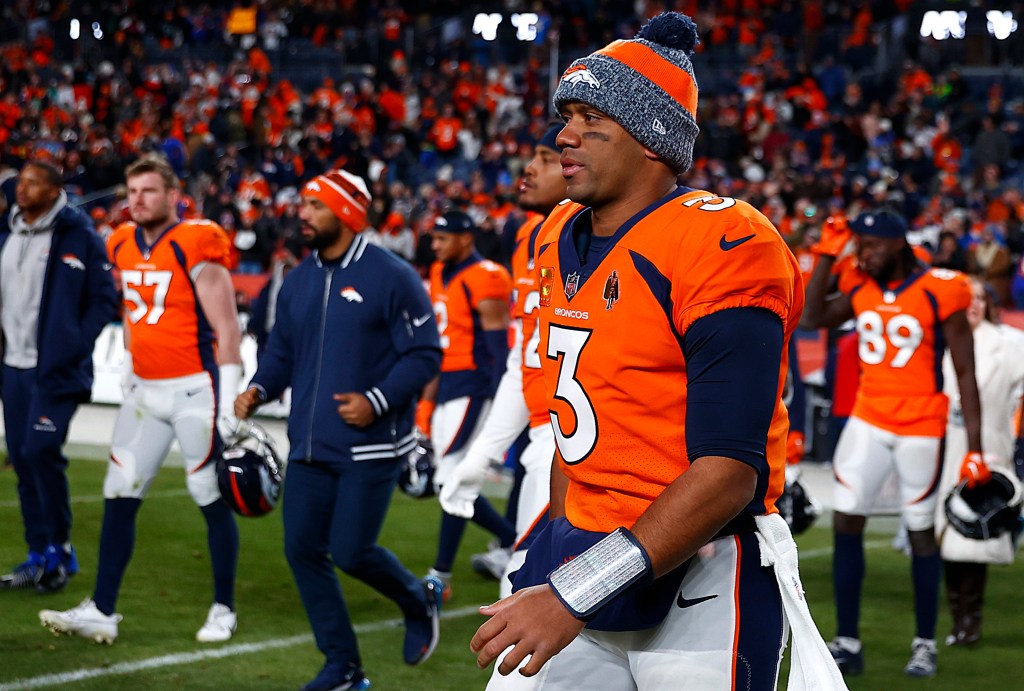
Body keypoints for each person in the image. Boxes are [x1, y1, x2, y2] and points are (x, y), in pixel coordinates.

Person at [472, 13, 842, 691]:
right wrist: (554, 550)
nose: (563, 136)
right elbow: (574, 428)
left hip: (702, 574)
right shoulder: (557, 234)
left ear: (650, 137)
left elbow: (729, 472)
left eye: (590, 117)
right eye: (566, 116)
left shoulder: (722, 241)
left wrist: (573, 591)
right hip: (582, 550)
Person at [234, 169, 445, 691]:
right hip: (307, 443)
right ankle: (343, 666)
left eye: (315, 206)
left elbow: (424, 354)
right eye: (303, 204)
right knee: (302, 550)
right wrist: (259, 388)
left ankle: (418, 598)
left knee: (351, 552)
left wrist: (376, 401)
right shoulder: (298, 277)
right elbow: (281, 350)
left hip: (371, 446)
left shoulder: (391, 275)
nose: (302, 214)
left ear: (348, 213)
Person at [39, 153, 244, 644]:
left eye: (149, 191)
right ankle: (103, 609)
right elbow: (134, 312)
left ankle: (223, 608)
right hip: (145, 392)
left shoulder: (195, 243)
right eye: (132, 192)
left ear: (173, 195)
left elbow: (229, 329)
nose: (138, 200)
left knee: (207, 496)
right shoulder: (123, 243)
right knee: (119, 494)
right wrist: (131, 366)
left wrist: (232, 404)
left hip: (195, 389)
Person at [802, 209, 983, 678]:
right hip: (868, 416)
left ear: (899, 243)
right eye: (858, 245)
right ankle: (848, 640)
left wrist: (976, 447)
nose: (863, 253)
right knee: (846, 520)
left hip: (921, 423)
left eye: (871, 245)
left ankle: (924, 643)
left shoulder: (940, 287)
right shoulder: (861, 283)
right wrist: (825, 253)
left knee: (921, 530)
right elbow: (814, 314)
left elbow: (965, 371)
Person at [438, 124, 567, 599]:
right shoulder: (529, 235)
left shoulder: (595, 233)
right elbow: (525, 352)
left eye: (546, 158)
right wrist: (484, 452)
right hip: (540, 429)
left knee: (527, 588)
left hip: (575, 442)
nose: (528, 169)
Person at [0, 159, 119, 591]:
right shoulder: (8, 232)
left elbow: (105, 300)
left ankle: (61, 552)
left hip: (56, 371)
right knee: (23, 459)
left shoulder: (80, 236)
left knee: (41, 450)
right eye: (21, 182)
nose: (22, 189)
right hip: (12, 368)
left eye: (33, 183)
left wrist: (71, 345)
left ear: (54, 191)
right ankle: (37, 554)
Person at [424, 209, 515, 599]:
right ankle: (515, 540)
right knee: (450, 480)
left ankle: (442, 573)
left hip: (474, 385)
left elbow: (496, 348)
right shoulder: (438, 272)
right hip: (446, 382)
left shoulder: (487, 275)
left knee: (451, 480)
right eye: (435, 237)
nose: (436, 244)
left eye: (444, 238)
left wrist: (497, 400)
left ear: (466, 238)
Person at [936, 277, 1024, 646]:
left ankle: (970, 620)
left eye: (979, 298)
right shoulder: (941, 344)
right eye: (965, 298)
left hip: (988, 448)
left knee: (976, 536)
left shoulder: (1009, 345)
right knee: (949, 536)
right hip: (946, 449)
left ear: (989, 303)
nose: (972, 304)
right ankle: (958, 616)